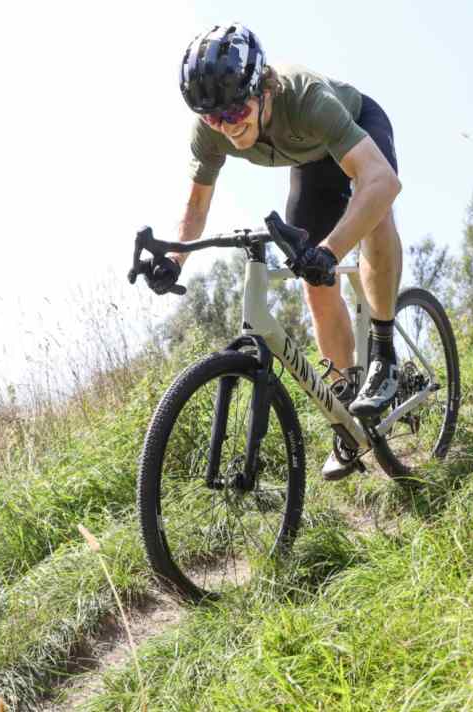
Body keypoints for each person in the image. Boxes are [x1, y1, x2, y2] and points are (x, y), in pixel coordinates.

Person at [147, 23, 404, 479]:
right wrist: (173, 259)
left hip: (356, 128)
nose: (228, 126)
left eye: (236, 111)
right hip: (310, 161)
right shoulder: (210, 129)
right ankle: (347, 407)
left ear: (261, 88)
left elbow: (382, 181)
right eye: (213, 118)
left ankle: (384, 354)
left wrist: (331, 247)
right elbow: (195, 206)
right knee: (315, 283)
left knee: (375, 210)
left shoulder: (303, 98)